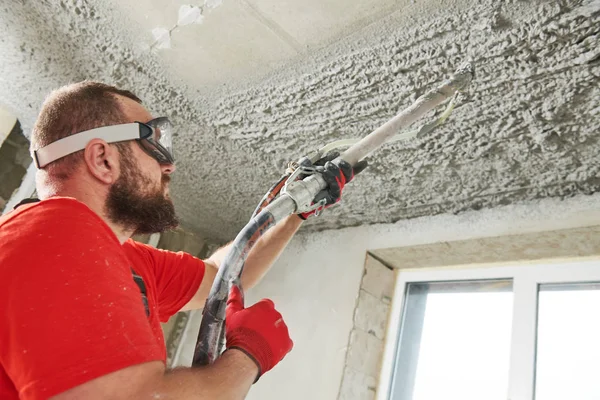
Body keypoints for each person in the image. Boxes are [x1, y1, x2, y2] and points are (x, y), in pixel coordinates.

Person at [0, 82, 361, 399]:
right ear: (102, 159)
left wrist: (294, 210)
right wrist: (248, 356)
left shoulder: (119, 259)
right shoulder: (51, 236)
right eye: (153, 142)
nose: (169, 165)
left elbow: (222, 275)